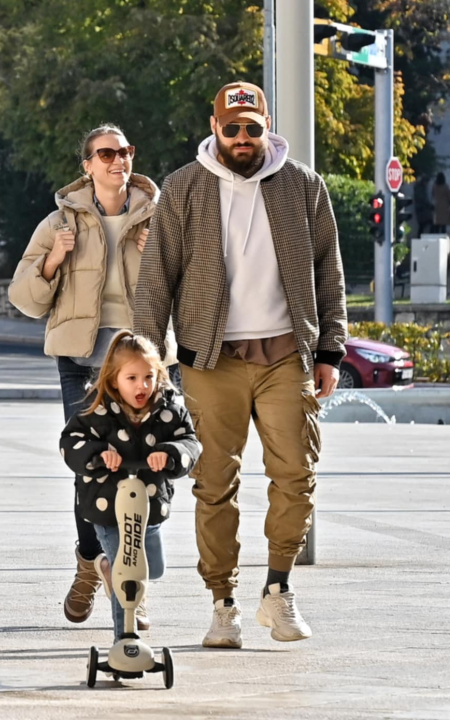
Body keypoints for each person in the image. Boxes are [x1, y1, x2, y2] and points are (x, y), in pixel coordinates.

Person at [133, 81, 347, 649]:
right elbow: (157, 280)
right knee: (213, 484)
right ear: (215, 127)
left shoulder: (302, 184)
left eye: (254, 127)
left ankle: (278, 590)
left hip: (286, 354)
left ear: (267, 125)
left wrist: (330, 351)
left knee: (296, 477)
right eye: (234, 129)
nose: (244, 138)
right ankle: (222, 602)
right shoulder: (183, 188)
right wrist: (146, 362)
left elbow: (329, 269)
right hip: (212, 357)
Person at [7, 124, 175, 626]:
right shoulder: (59, 223)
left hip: (145, 364)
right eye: (105, 153)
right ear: (87, 165)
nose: (116, 160)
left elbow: (191, 291)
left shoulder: (160, 218)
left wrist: (157, 261)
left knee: (146, 469)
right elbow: (25, 299)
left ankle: (110, 572)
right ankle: (105, 568)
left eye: (124, 151)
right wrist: (55, 259)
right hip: (82, 364)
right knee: (93, 467)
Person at [60, 330, 200, 640]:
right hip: (107, 507)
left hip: (148, 505)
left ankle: (105, 566)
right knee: (127, 567)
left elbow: (190, 441)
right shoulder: (96, 410)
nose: (142, 386)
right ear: (113, 380)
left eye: (148, 377)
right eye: (132, 378)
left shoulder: (168, 409)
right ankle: (125, 636)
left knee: (153, 568)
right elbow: (71, 442)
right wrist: (98, 455)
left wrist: (170, 453)